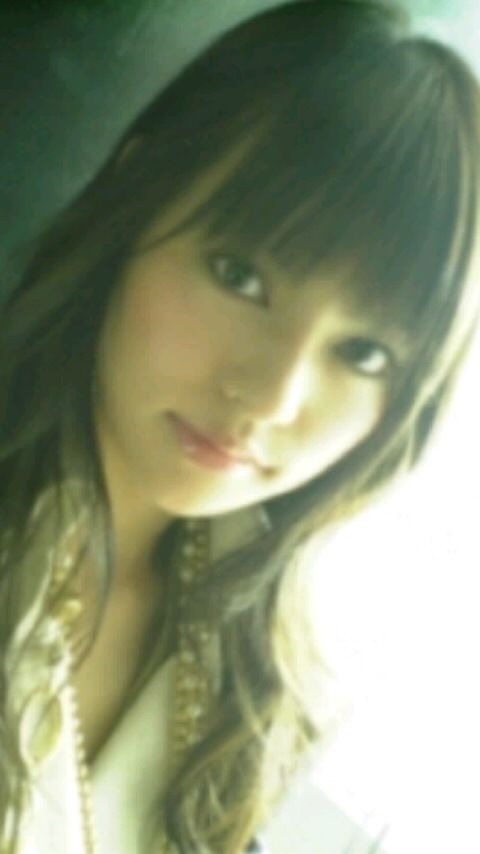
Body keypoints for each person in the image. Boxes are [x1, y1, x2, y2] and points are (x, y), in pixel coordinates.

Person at [1, 1, 479, 851]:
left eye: (364, 354)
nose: (271, 397)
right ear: (137, 200)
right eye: (240, 276)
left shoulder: (258, 691)